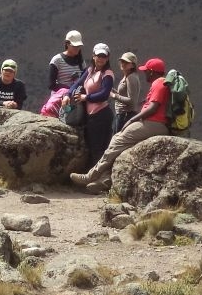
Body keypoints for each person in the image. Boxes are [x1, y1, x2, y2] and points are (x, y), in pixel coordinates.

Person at [70, 57, 171, 194]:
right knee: (117, 140)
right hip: (153, 122)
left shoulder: (158, 83)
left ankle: (90, 176)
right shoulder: (160, 83)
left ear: (152, 72)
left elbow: (152, 108)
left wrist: (133, 119)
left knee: (118, 141)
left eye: (146, 71)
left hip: (153, 122)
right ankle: (105, 181)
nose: (145, 73)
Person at [62, 42, 115, 169]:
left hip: (101, 115)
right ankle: (94, 175)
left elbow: (104, 94)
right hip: (90, 116)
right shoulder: (90, 70)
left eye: (104, 56)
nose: (101, 59)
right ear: (93, 56)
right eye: (98, 56)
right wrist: (67, 94)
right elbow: (77, 84)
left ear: (107, 58)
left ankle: (98, 176)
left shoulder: (107, 74)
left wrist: (85, 97)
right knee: (91, 147)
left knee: (98, 148)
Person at [41, 31, 85, 116]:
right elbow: (51, 85)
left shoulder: (81, 62)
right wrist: (69, 90)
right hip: (60, 99)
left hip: (76, 99)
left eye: (78, 46)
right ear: (67, 44)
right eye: (74, 46)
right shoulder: (57, 60)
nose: (77, 48)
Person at [110, 51, 144, 134]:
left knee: (117, 139)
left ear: (133, 65)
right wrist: (116, 92)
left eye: (126, 62)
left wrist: (114, 95)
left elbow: (131, 101)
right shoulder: (128, 76)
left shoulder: (131, 78)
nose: (123, 64)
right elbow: (125, 94)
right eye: (122, 61)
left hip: (125, 115)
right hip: (122, 115)